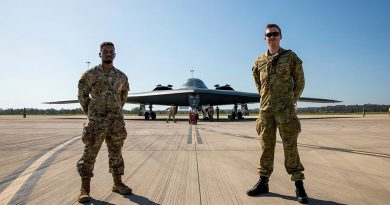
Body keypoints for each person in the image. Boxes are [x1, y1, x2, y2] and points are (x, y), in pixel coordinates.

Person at [248, 24, 309, 204]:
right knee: (266, 146)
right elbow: (259, 85)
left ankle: (299, 185)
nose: (272, 37)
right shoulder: (259, 61)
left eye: (275, 34)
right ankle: (263, 182)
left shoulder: (290, 57)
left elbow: (300, 82)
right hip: (266, 111)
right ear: (264, 38)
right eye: (269, 35)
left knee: (290, 146)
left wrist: (291, 102)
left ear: (281, 36)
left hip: (285, 110)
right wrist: (266, 100)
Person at [76, 42, 132, 203]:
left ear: (115, 54)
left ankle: (118, 183)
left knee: (116, 152)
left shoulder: (121, 76)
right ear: (100, 54)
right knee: (89, 154)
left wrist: (116, 111)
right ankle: (84, 189)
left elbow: (124, 95)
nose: (108, 54)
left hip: (116, 122)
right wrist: (91, 112)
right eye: (105, 51)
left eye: (111, 51)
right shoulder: (90, 75)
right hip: (96, 122)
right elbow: (82, 95)